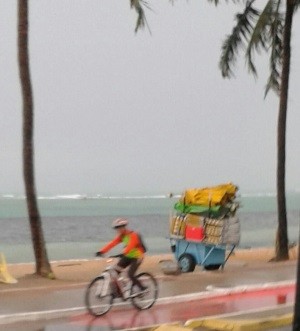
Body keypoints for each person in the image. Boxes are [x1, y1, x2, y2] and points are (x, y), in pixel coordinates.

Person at [96, 218, 147, 293]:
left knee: (130, 274)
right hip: (128, 256)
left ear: (124, 227)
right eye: (116, 228)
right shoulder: (121, 236)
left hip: (137, 257)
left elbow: (130, 246)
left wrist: (123, 253)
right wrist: (101, 251)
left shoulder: (133, 235)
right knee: (115, 272)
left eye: (119, 228)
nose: (118, 230)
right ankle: (120, 291)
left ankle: (143, 288)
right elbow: (112, 243)